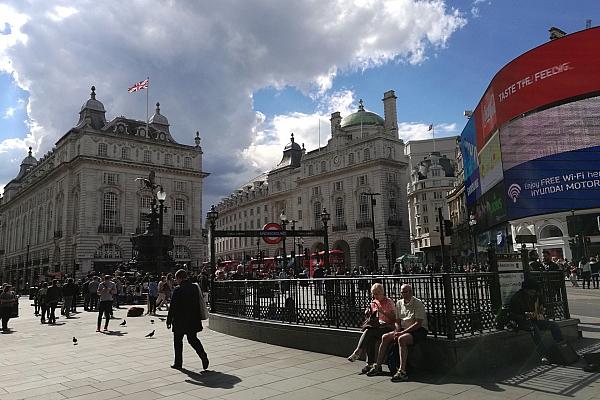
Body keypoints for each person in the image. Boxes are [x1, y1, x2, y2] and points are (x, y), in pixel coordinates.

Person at [367, 284, 429, 382]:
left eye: (405, 292)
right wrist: (397, 330)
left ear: (411, 292)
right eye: (402, 292)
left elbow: (418, 323)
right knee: (385, 337)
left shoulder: (418, 303)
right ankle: (378, 366)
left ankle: (402, 370)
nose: (403, 294)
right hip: (403, 328)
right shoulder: (399, 303)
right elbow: (397, 321)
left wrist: (402, 332)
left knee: (402, 339)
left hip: (418, 330)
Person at [509, 279, 564, 364]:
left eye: (535, 291)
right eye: (532, 291)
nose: (534, 293)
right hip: (522, 322)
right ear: (526, 290)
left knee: (553, 325)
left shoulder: (536, 296)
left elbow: (542, 306)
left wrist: (542, 309)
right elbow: (513, 315)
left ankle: (562, 346)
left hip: (535, 319)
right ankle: (544, 355)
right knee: (534, 329)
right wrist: (526, 316)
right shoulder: (517, 298)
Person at [347, 283, 396, 375]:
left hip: (389, 327)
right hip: (378, 326)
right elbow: (372, 316)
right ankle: (370, 364)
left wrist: (383, 311)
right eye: (374, 294)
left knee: (369, 332)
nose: (375, 296)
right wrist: (368, 312)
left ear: (382, 292)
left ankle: (358, 352)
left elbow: (394, 318)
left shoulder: (388, 302)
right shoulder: (374, 302)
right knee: (370, 336)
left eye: (377, 293)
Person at [167, 269, 209, 370]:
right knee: (193, 339)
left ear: (179, 278)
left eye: (176, 279)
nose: (176, 281)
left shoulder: (178, 289)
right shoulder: (195, 287)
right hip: (192, 319)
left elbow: (173, 306)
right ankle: (203, 355)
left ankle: (178, 363)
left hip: (180, 320)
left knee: (178, 341)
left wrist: (169, 320)